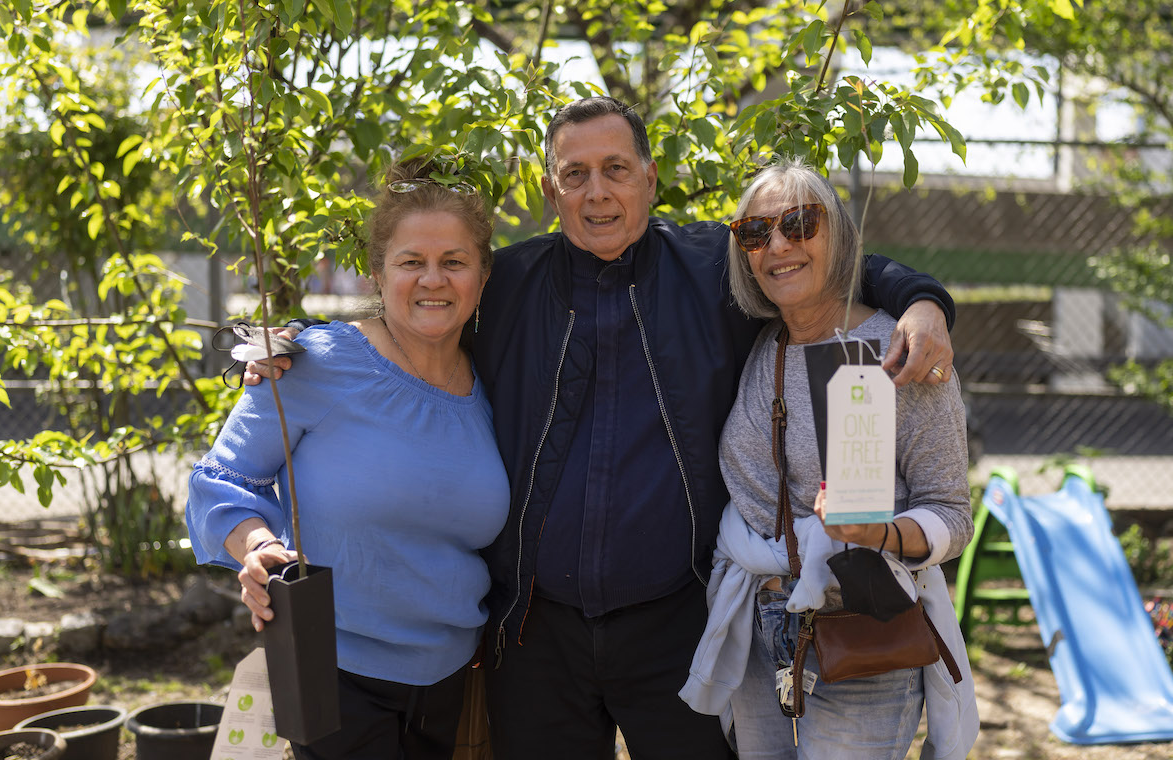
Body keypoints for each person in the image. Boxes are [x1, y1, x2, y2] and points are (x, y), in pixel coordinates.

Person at [247, 97, 958, 759]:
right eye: (575, 175)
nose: (598, 193)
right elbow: (417, 303)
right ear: (551, 191)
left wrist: (923, 300)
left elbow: (826, 266)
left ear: (649, 180)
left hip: (677, 624)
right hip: (534, 635)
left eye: (616, 170)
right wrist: (302, 347)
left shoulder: (716, 268)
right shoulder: (509, 282)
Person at [186, 161, 511, 760]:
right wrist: (257, 549)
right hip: (332, 673)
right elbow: (221, 481)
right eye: (411, 261)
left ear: (483, 276)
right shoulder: (313, 364)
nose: (432, 280)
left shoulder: (498, 384)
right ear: (376, 272)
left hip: (454, 682)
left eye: (455, 262)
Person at [680, 157, 977, 759]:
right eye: (755, 233)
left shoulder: (901, 353)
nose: (778, 245)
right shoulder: (764, 343)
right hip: (759, 628)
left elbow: (951, 514)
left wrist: (882, 533)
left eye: (798, 222)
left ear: (836, 235)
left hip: (861, 626)